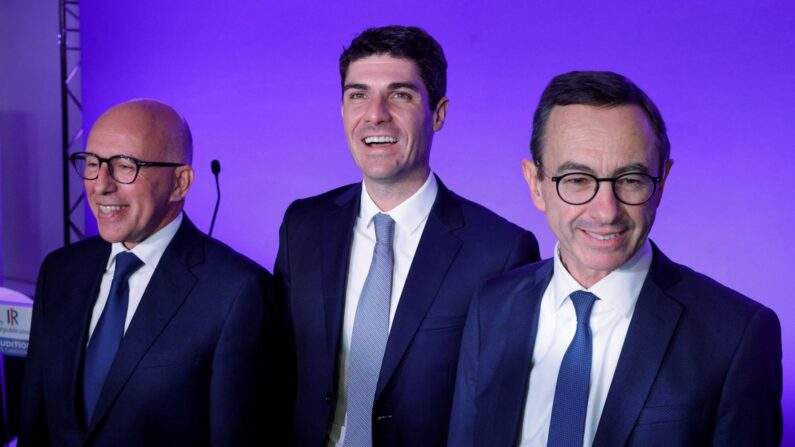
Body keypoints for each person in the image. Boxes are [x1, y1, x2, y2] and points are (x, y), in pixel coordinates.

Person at [448, 71, 783, 446]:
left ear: (663, 181)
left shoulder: (736, 335)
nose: (606, 211)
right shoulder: (491, 306)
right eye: (577, 179)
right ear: (535, 183)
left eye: (630, 180)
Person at [274, 25, 540, 446]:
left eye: (400, 94)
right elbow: (280, 368)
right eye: (357, 94)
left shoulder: (500, 251)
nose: (375, 113)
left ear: (438, 113)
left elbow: (497, 412)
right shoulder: (303, 225)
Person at [20, 99, 278, 446]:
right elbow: (36, 423)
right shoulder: (60, 271)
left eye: (125, 166)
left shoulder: (238, 292)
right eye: (92, 163)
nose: (100, 185)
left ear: (180, 183)